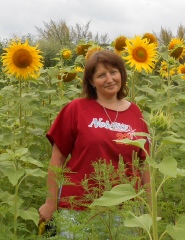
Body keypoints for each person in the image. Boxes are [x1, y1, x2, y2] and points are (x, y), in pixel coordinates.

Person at [38, 49, 151, 234]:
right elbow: (57, 160)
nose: (109, 79)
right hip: (79, 207)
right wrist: (50, 202)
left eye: (113, 72)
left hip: (125, 210)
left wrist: (150, 208)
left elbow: (145, 164)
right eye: (101, 75)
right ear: (91, 81)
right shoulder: (76, 109)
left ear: (121, 74)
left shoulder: (135, 113)